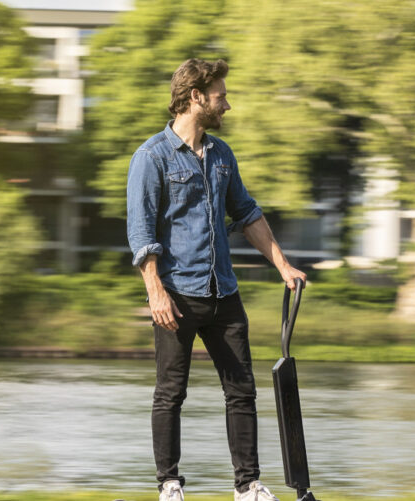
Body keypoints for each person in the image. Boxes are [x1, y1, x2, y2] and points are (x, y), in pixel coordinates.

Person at [126, 58, 307, 501]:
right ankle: (169, 484)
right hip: (176, 295)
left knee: (241, 391)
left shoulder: (222, 155)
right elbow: (142, 232)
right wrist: (156, 293)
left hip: (223, 291)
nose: (227, 103)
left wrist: (283, 265)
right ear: (196, 98)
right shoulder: (151, 157)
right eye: (221, 95)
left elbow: (247, 213)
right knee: (171, 392)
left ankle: (247, 486)